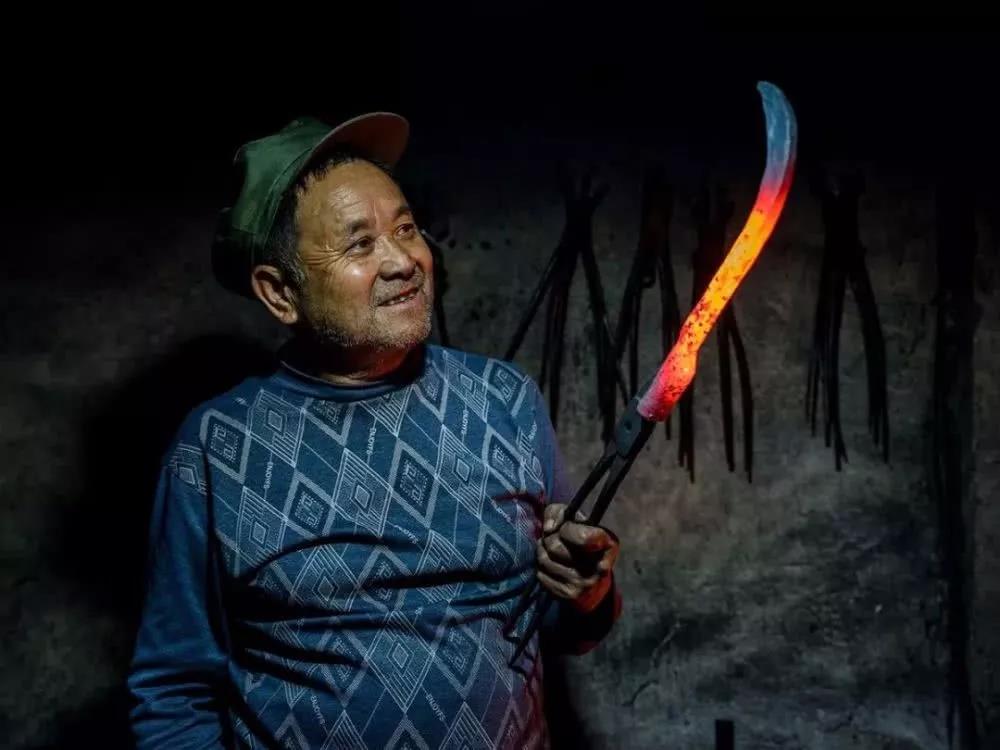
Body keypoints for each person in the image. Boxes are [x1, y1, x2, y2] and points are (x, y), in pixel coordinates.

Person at [126, 112, 623, 749]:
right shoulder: (216, 448)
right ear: (280, 294)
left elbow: (558, 629)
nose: (403, 261)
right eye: (360, 244)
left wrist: (587, 593)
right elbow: (173, 691)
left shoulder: (504, 400)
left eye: (406, 229)